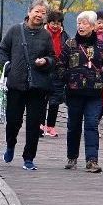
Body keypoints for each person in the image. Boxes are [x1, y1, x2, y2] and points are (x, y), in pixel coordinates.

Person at [0, 0, 56, 171]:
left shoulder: (46, 36)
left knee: (34, 124)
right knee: (13, 121)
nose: (39, 15)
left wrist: (45, 61)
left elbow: (53, 58)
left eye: (43, 13)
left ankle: (29, 157)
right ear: (29, 11)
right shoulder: (15, 30)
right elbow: (2, 50)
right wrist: (7, 68)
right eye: (37, 11)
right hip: (16, 84)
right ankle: (10, 145)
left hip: (37, 87)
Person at [59, 11, 103, 173]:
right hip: (74, 92)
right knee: (73, 126)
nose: (81, 26)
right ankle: (72, 156)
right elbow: (60, 65)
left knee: (91, 125)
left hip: (94, 94)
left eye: (84, 23)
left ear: (92, 26)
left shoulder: (101, 46)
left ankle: (92, 160)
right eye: (79, 23)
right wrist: (67, 77)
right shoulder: (70, 44)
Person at [41, 9, 68, 138]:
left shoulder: (65, 36)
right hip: (44, 70)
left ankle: (51, 126)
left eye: (58, 23)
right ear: (48, 22)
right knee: (42, 99)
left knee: (55, 100)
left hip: (59, 71)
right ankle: (40, 125)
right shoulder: (42, 32)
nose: (55, 25)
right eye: (53, 22)